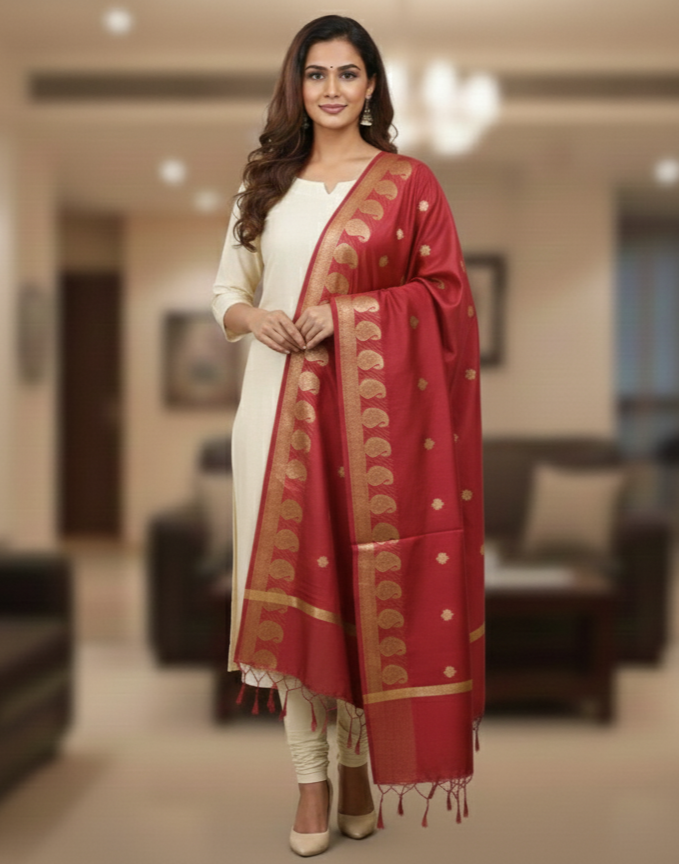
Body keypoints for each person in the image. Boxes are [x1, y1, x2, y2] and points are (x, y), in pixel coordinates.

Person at [212, 14, 485, 857]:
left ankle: (359, 766)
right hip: (274, 412)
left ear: (371, 87)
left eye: (348, 74)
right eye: (315, 74)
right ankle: (310, 782)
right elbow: (228, 289)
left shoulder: (408, 183)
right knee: (293, 605)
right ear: (296, 85)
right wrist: (257, 317)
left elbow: (445, 299)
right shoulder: (265, 181)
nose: (330, 90)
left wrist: (343, 317)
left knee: (372, 597)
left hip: (378, 433)